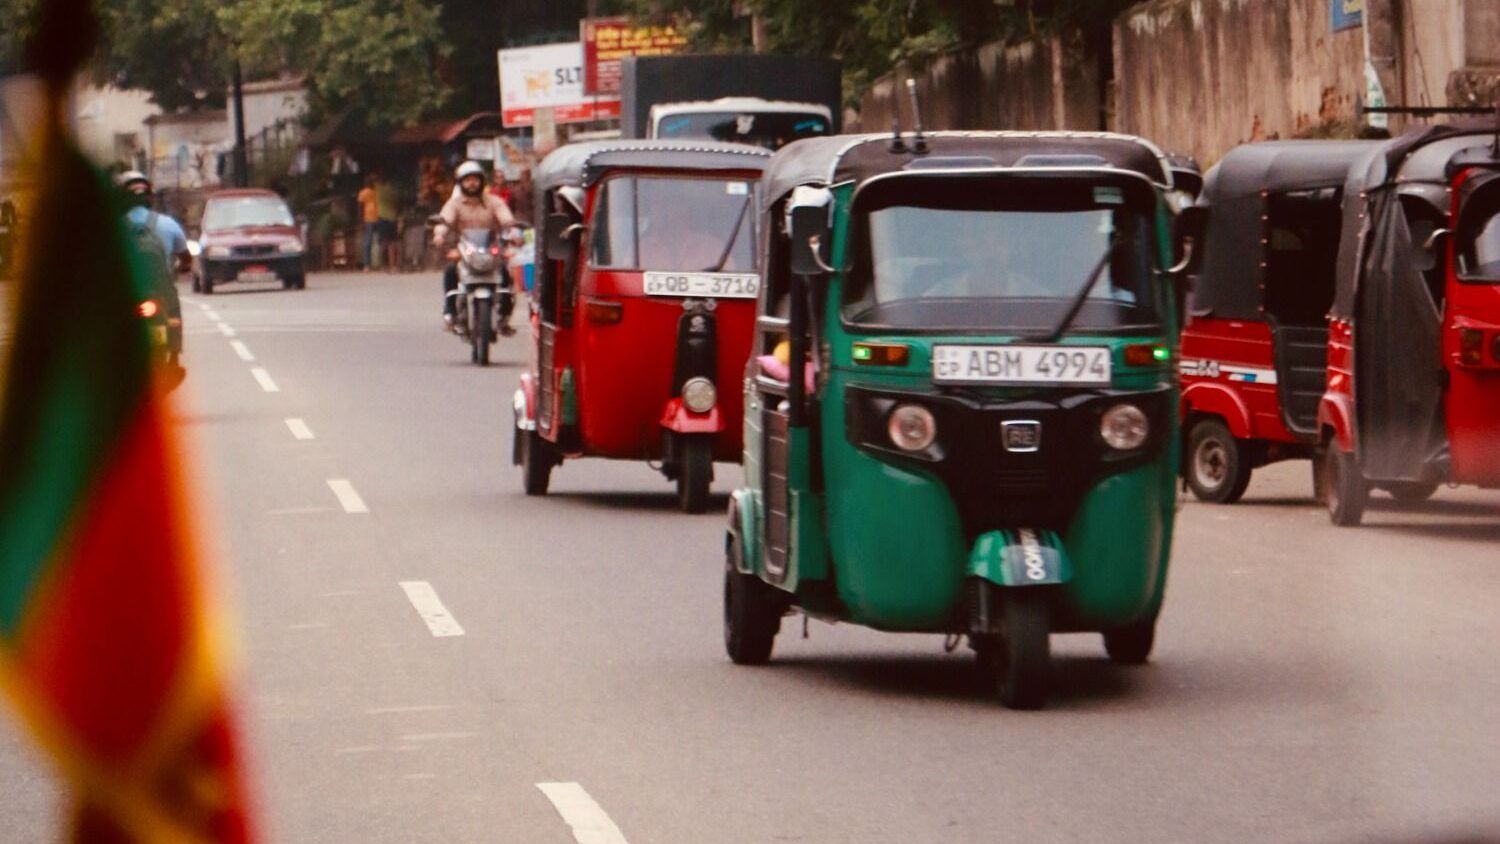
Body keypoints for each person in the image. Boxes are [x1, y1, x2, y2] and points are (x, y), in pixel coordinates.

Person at [433, 160, 516, 333]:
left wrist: (513, 232)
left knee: (505, 274)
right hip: (465, 249)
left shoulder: (494, 201)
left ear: (482, 181)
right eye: (467, 179)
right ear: (461, 182)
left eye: (475, 179)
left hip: (490, 248)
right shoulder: (454, 204)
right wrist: (439, 234)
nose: (472, 183)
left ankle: (504, 316)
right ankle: (451, 312)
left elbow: (506, 218)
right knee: (450, 271)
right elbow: (445, 220)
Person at [117, 170, 189, 270]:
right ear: (150, 197)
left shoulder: (112, 227)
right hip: (162, 284)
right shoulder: (169, 223)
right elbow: (186, 260)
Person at [356, 174, 381, 270]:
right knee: (371, 242)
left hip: (371, 218)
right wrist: (361, 220)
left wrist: (360, 220)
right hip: (371, 218)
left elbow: (359, 207)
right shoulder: (369, 192)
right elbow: (360, 207)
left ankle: (370, 264)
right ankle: (368, 263)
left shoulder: (367, 193)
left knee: (370, 242)